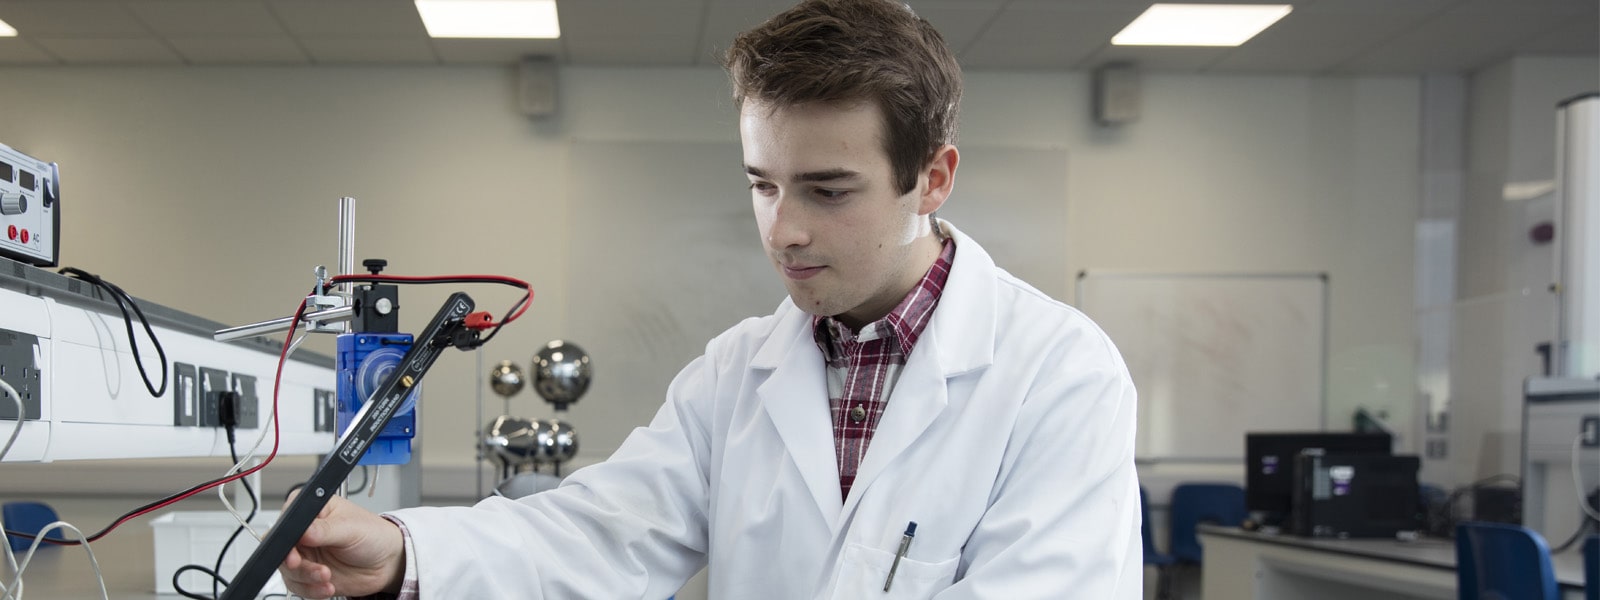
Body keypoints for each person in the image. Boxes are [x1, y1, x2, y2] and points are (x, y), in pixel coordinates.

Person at [278, 0, 1141, 597]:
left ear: (933, 179)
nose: (784, 230)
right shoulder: (737, 372)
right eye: (763, 185)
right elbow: (601, 534)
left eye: (828, 190)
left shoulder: (1059, 375)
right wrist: (398, 553)